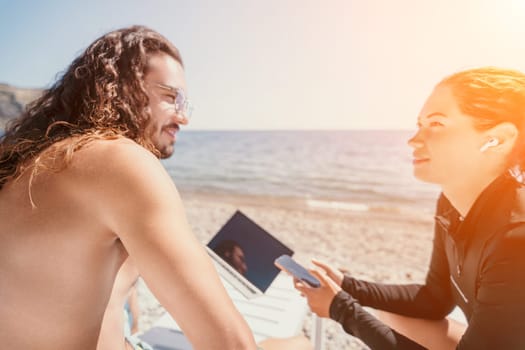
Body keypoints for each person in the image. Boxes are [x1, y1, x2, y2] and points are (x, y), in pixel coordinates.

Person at [0, 25, 312, 350]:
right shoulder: (120, 161)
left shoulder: (27, 161)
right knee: (295, 345)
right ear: (122, 90)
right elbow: (231, 345)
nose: (184, 117)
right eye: (169, 97)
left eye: (185, 103)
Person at [294, 67, 525, 349]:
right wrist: (347, 285)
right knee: (393, 316)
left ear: (497, 140)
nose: (413, 140)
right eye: (419, 125)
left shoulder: (516, 238)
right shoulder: (452, 204)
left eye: (436, 124)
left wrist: (340, 309)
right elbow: (433, 299)